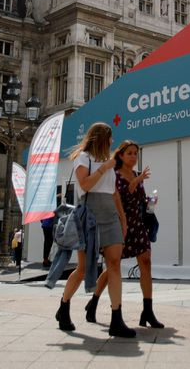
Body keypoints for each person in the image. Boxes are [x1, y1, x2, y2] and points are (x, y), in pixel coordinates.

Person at [55, 122, 135, 337]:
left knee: (115, 264)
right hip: (89, 215)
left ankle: (116, 319)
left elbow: (114, 192)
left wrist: (123, 218)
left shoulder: (108, 162)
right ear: (102, 138)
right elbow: (86, 185)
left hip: (109, 213)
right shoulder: (84, 158)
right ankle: (64, 306)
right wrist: (104, 168)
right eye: (110, 137)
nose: (112, 141)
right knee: (82, 269)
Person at [84, 140, 163, 328]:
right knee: (113, 266)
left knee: (146, 262)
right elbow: (120, 197)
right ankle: (93, 301)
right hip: (120, 224)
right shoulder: (114, 175)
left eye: (136, 153)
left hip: (138, 224)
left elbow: (138, 199)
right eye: (130, 153)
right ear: (120, 155)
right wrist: (136, 181)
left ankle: (148, 311)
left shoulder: (137, 174)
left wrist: (149, 202)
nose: (134, 157)